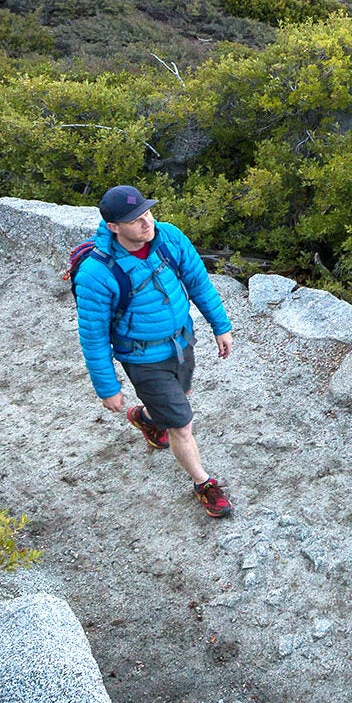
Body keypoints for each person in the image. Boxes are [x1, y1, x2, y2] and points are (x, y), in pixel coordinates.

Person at [75, 183, 236, 517]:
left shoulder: (170, 238)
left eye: (147, 212)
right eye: (135, 219)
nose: (146, 222)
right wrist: (107, 387)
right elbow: (93, 336)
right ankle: (203, 484)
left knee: (182, 395)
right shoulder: (96, 274)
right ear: (113, 227)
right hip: (143, 358)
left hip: (181, 342)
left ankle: (147, 418)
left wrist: (220, 325)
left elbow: (198, 282)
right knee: (181, 424)